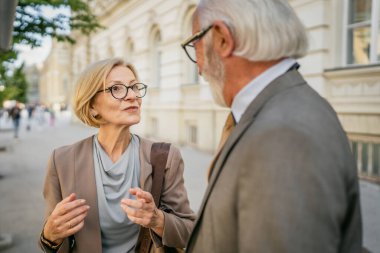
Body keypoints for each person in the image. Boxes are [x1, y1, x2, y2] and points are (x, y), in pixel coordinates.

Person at [181, 0, 362, 252]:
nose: (198, 66)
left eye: (195, 44)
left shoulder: (284, 136)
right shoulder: (280, 108)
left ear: (222, 39)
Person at [39, 58, 196, 253]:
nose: (132, 96)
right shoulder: (61, 160)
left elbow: (189, 230)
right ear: (92, 106)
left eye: (134, 87)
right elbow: (51, 241)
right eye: (117, 89)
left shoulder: (165, 156)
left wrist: (157, 219)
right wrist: (50, 234)